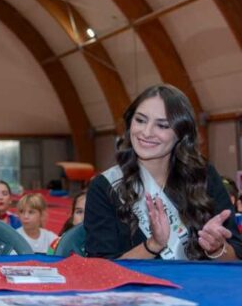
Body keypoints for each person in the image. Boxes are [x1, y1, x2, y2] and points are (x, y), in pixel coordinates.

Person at [85, 84, 242, 260]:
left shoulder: (202, 176)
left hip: (200, 286)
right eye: (140, 120)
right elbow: (100, 270)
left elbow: (236, 258)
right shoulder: (105, 187)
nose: (146, 132)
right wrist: (152, 245)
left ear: (181, 134)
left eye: (162, 125)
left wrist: (217, 248)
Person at [48, 189, 86, 254]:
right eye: (79, 212)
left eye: (90, 212)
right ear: (72, 215)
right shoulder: (56, 245)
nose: (84, 217)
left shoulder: (106, 245)